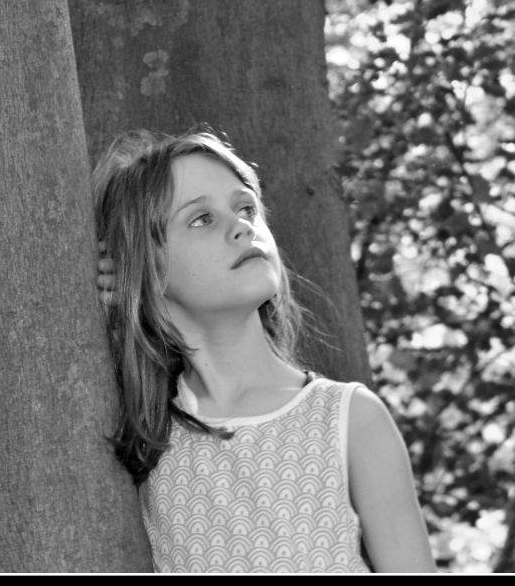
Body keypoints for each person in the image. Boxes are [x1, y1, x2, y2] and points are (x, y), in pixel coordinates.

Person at [92, 129, 435, 573]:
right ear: (146, 266)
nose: (240, 226)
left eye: (246, 208)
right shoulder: (145, 433)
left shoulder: (348, 418)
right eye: (201, 219)